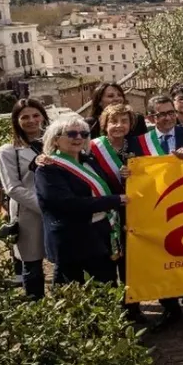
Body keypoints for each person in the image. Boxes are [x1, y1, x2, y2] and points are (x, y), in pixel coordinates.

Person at [131, 95, 183, 329]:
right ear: (151, 118)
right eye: (162, 114)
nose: (169, 117)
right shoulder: (139, 143)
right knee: (162, 258)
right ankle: (170, 307)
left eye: (171, 112)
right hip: (157, 209)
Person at [34, 114, 124, 286]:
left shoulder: (89, 161)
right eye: (71, 134)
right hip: (72, 241)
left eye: (83, 134)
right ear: (55, 139)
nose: (78, 138)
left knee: (107, 288)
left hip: (99, 236)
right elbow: (67, 204)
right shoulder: (48, 169)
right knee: (72, 297)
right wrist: (115, 200)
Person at [85, 103, 145, 323]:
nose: (119, 126)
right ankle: (111, 313)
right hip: (105, 214)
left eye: (124, 121)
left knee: (129, 264)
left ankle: (133, 308)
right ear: (104, 124)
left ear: (131, 124)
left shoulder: (138, 145)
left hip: (133, 212)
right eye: (113, 121)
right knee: (108, 264)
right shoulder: (92, 148)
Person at [0, 98, 50, 299]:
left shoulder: (55, 143)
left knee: (64, 260)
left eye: (36, 115)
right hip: (29, 212)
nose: (31, 121)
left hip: (59, 209)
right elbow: (12, 187)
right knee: (32, 263)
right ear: (16, 121)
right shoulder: (7, 151)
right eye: (24, 117)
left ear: (43, 117)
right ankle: (36, 308)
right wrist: (45, 206)